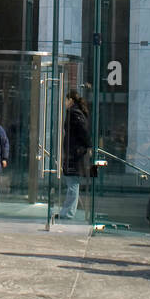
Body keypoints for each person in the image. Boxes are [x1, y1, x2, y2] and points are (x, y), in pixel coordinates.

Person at [59, 91, 92, 220]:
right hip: (73, 153)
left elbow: (83, 131)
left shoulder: (74, 113)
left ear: (71, 100)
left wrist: (88, 146)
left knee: (72, 183)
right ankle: (67, 211)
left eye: (66, 100)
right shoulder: (74, 113)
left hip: (74, 154)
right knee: (71, 183)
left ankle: (68, 212)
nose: (65, 103)